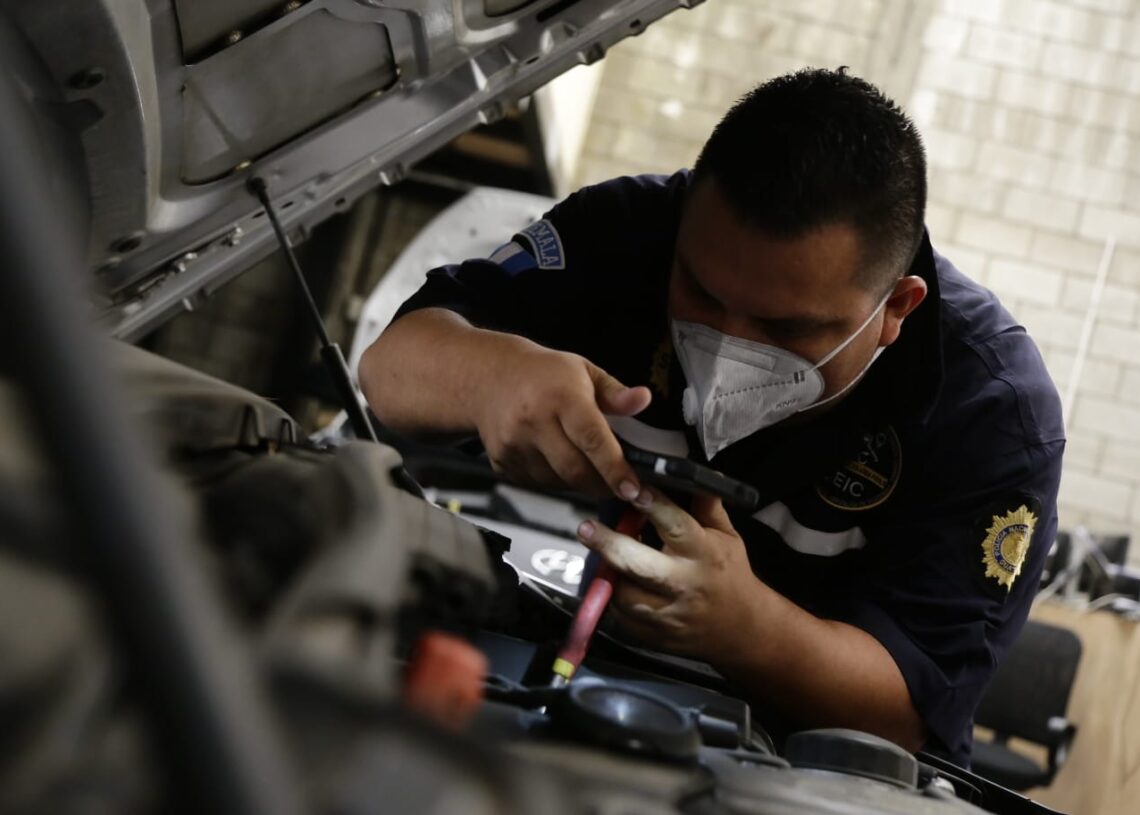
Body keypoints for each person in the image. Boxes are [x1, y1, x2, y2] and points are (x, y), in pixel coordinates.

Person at [358, 68, 1065, 766]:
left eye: (786, 328)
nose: (727, 345)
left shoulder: (993, 413)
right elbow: (388, 368)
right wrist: (489, 374)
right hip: (587, 687)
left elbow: (909, 713)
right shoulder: (625, 232)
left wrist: (746, 628)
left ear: (895, 310)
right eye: (699, 291)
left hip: (805, 768)